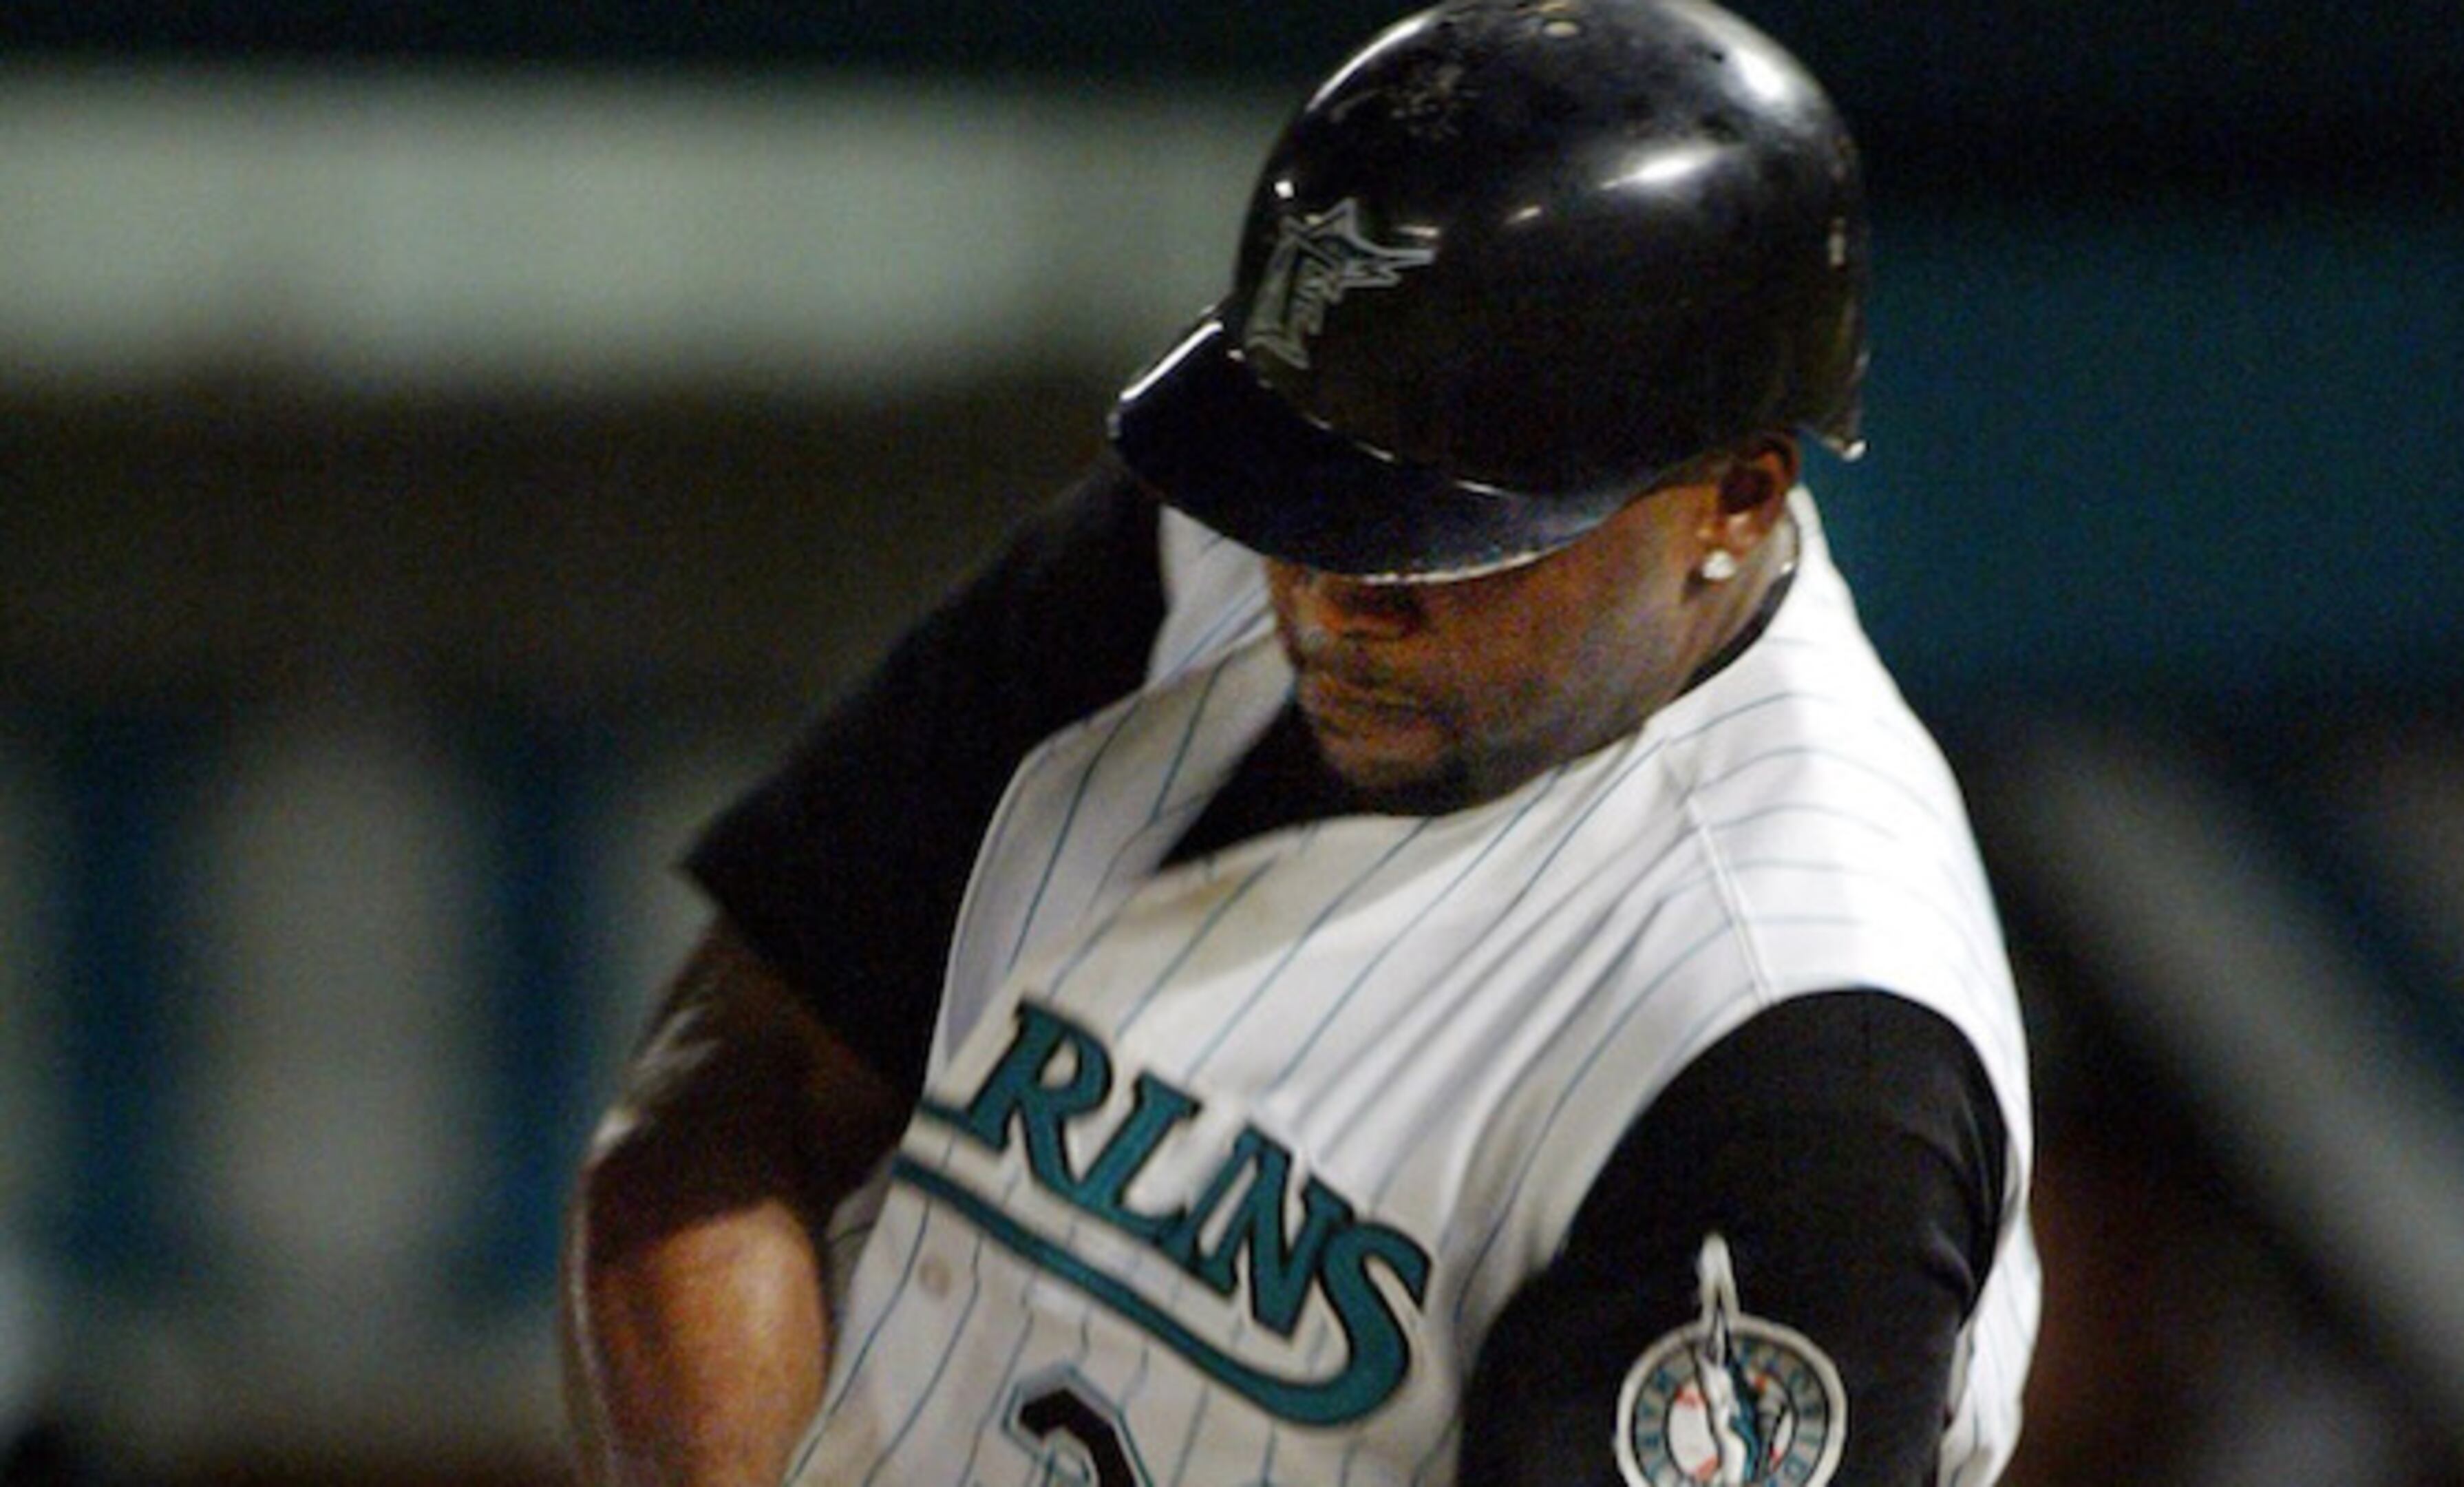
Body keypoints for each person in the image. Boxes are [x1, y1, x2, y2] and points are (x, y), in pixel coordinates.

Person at [560, 1, 2039, 1484]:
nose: (1332, 593)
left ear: (1733, 500)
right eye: (1302, 491)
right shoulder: (1197, 554)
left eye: (1441, 535)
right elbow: (721, 1090)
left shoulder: (1806, 1048)